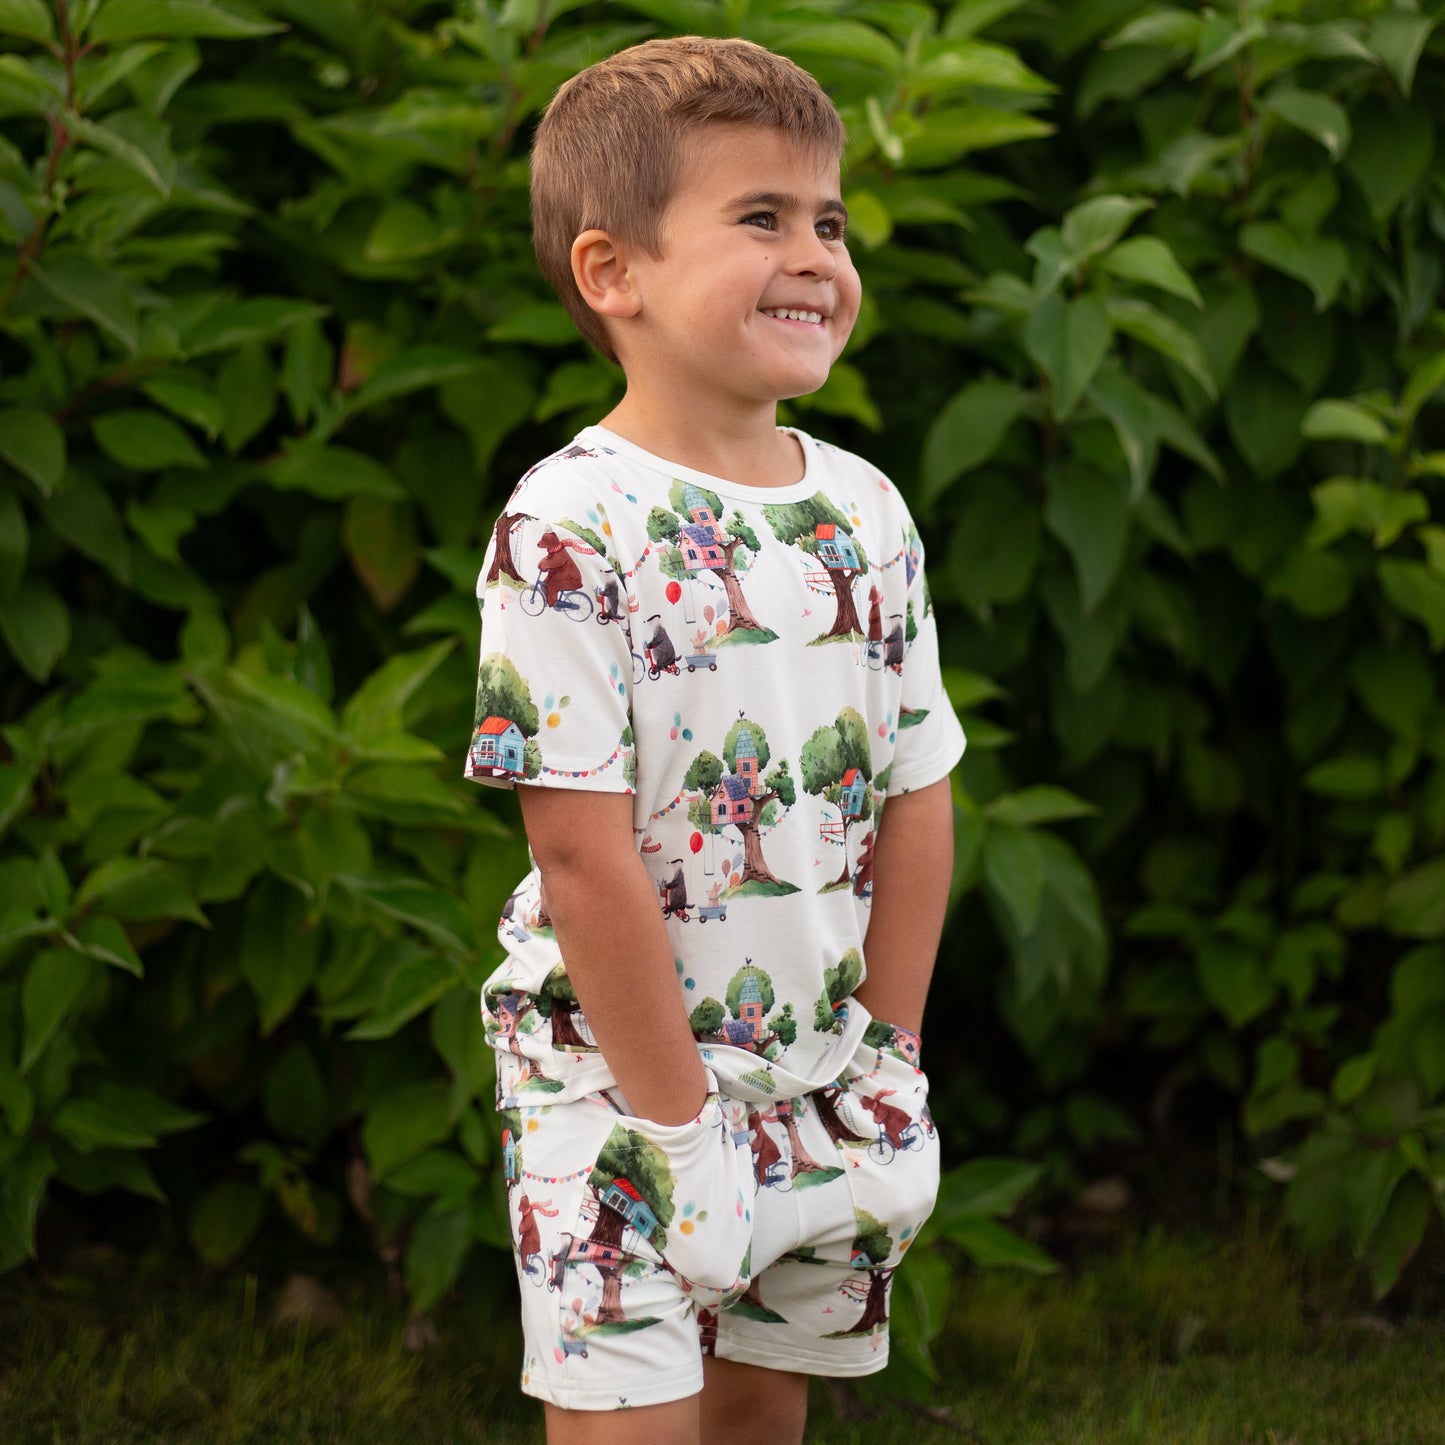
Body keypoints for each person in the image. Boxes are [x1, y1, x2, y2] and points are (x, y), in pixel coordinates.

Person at [465, 35, 964, 1445]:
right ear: (612, 272)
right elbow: (575, 843)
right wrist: (678, 1132)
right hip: (614, 1080)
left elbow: (916, 788)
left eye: (829, 219)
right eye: (761, 217)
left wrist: (891, 1050)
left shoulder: (865, 512)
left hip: (821, 1064)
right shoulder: (568, 524)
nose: (815, 253)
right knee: (635, 1426)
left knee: (756, 1413)